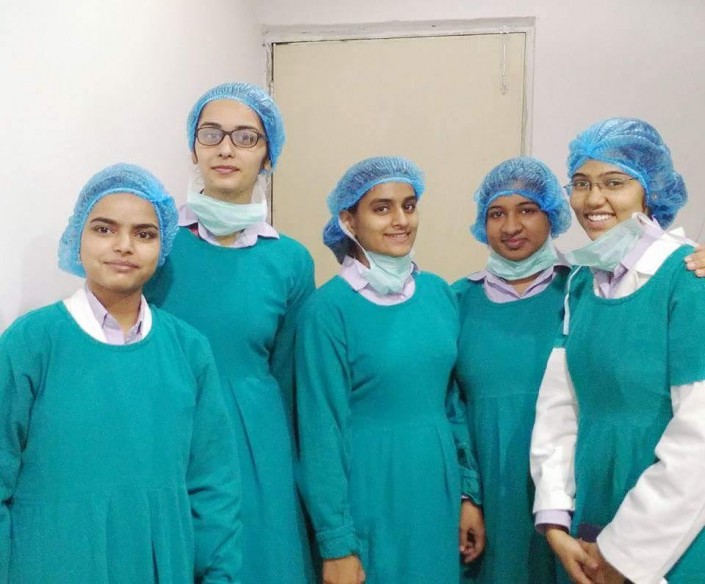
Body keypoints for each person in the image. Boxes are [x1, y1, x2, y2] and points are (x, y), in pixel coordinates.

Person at [0, 163, 241, 582]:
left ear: (162, 247)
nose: (124, 246)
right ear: (77, 238)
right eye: (104, 229)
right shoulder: (31, 343)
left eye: (144, 234)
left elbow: (214, 487)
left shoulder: (188, 351)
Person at [144, 82, 315, 582]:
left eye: (245, 137)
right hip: (169, 431)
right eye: (211, 134)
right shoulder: (156, 246)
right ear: (192, 147)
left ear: (268, 155)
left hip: (257, 439)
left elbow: (290, 376)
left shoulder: (290, 261)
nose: (225, 148)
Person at [530, 118, 705, 584]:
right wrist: (555, 517)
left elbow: (699, 438)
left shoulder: (688, 279)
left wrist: (624, 554)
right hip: (589, 523)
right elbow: (560, 407)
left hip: (670, 538)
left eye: (614, 183)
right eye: (581, 183)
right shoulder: (583, 284)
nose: (593, 199)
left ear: (650, 191)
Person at [295, 156, 485, 584]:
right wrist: (337, 542)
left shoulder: (438, 294)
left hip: (436, 490)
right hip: (369, 490)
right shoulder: (327, 311)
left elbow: (452, 404)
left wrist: (467, 493)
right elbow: (321, 432)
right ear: (349, 220)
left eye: (409, 206)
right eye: (382, 208)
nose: (401, 220)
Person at [453, 157, 572, 583]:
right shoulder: (458, 301)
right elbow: (450, 406)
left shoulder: (583, 290)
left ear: (552, 215)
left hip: (567, 484)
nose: (511, 227)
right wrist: (467, 495)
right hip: (488, 487)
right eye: (496, 214)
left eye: (527, 210)